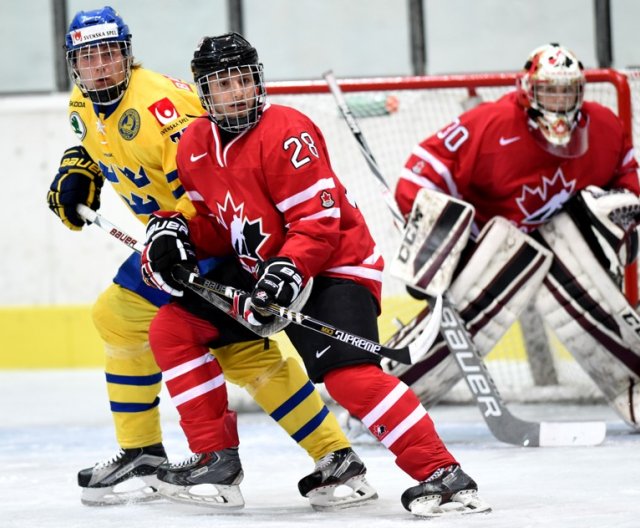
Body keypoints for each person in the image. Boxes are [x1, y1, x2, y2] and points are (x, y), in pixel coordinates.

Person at [140, 31, 490, 518]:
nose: (236, 91)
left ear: (257, 81)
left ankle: (443, 475)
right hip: (265, 270)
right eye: (223, 84)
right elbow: (219, 229)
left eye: (243, 80)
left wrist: (286, 270)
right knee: (174, 328)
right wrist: (176, 238)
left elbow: (317, 223)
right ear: (204, 93)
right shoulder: (195, 145)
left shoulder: (288, 130)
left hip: (334, 266)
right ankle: (216, 460)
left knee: (349, 378)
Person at [46, 6, 373, 509]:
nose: (101, 66)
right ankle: (334, 458)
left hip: (206, 239)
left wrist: (175, 234)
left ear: (128, 55)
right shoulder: (84, 101)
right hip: (176, 240)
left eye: (110, 53)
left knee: (203, 341)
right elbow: (94, 141)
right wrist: (76, 168)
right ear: (74, 65)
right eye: (89, 57)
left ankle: (150, 452)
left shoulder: (161, 106)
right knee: (149, 327)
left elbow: (212, 179)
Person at [392, 42, 640, 428]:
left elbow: (626, 182)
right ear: (528, 89)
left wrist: (624, 224)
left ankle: (633, 389)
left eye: (567, 89)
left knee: (591, 281)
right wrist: (434, 243)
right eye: (549, 89)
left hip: (562, 249)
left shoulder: (605, 126)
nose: (559, 100)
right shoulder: (489, 123)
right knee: (475, 304)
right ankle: (388, 400)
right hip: (491, 249)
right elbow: (418, 175)